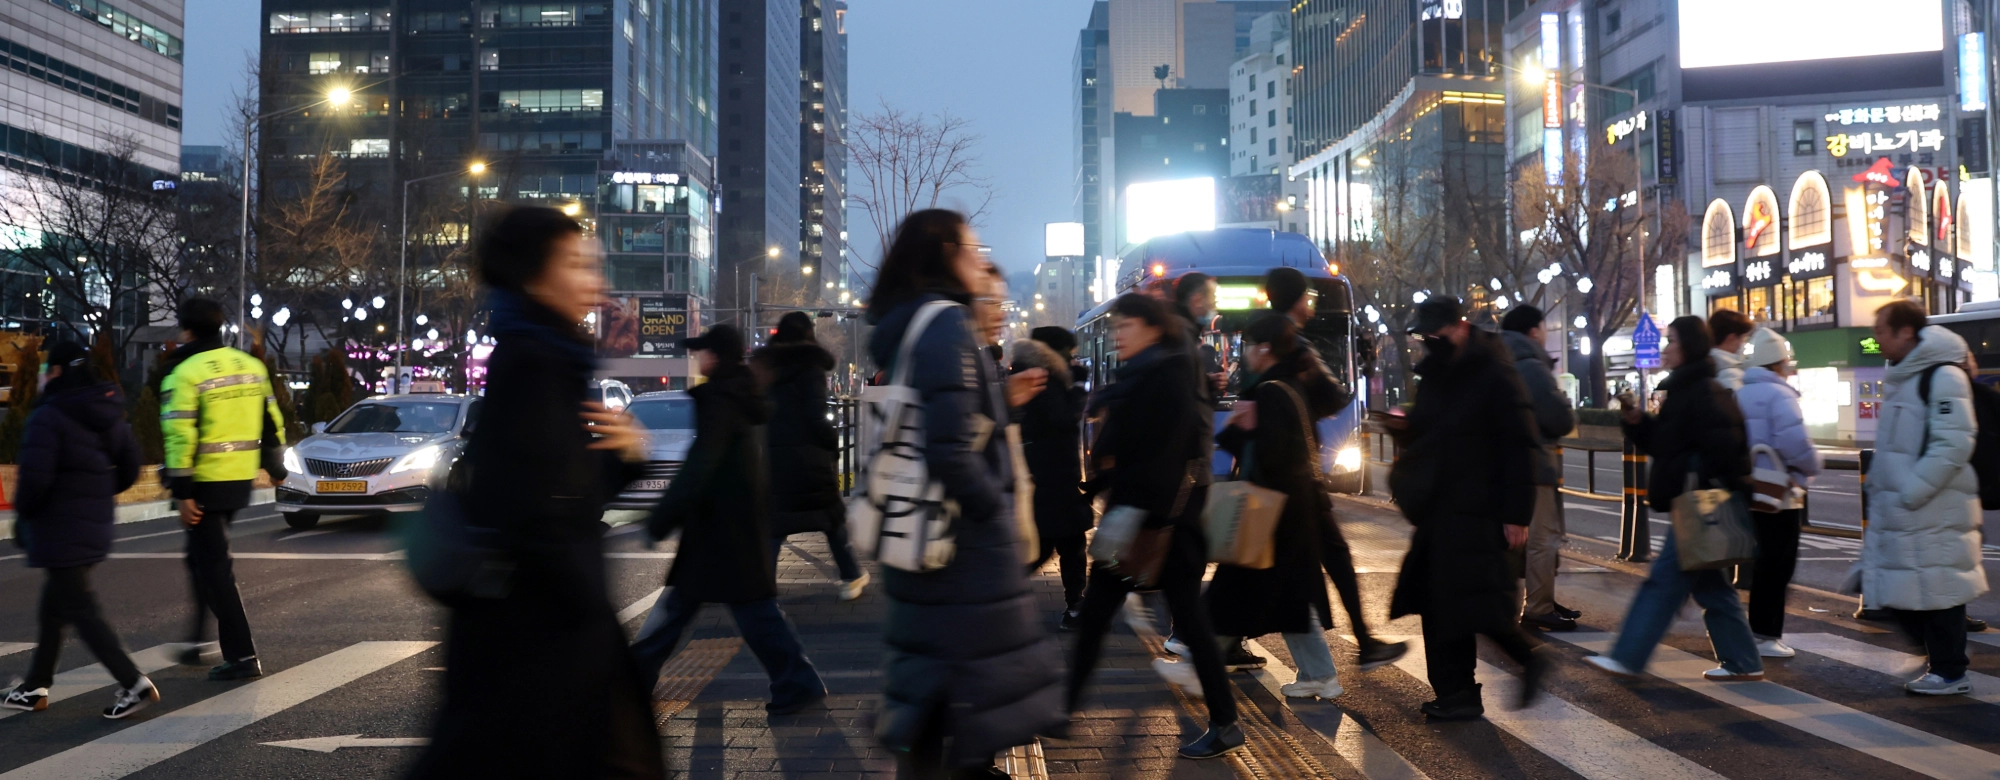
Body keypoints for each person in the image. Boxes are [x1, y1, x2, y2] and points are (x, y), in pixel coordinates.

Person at [409, 206, 663, 779]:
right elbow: (540, 510)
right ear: (533, 277)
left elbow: (561, 493)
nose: (596, 284)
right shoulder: (534, 366)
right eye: (577, 265)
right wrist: (587, 616)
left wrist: (625, 459)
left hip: (537, 634)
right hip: (539, 640)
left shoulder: (549, 362)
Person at [864, 209, 1064, 779]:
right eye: (974, 249)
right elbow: (950, 447)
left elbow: (945, 412)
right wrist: (994, 516)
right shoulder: (947, 324)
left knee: (935, 697)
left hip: (922, 537)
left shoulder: (907, 325)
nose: (980, 261)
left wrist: (999, 400)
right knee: (966, 693)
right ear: (946, 253)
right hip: (958, 546)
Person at [1072, 293, 1241, 759]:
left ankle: (1064, 709)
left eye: (1124, 326)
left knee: (1109, 615)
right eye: (1115, 328)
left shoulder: (1167, 375)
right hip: (1154, 520)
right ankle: (1224, 722)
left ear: (1151, 327)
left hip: (1156, 524)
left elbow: (1161, 455)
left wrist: (1136, 515)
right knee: (1170, 620)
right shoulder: (1150, 372)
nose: (1117, 335)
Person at [634, 323, 828, 710]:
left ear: (717, 355)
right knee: (724, 608)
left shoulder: (722, 399)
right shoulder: (740, 394)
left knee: (732, 610)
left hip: (722, 527)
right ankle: (797, 680)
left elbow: (701, 463)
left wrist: (662, 518)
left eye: (702, 351)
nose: (697, 357)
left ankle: (798, 680)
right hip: (729, 523)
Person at [1387, 296, 1543, 721]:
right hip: (1441, 504)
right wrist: (1405, 427)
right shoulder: (1439, 371)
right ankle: (1456, 692)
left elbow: (1519, 445)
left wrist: (1516, 514)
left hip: (1479, 506)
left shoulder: (1494, 372)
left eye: (1434, 332)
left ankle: (1525, 660)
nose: (1428, 341)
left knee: (1470, 602)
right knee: (1441, 602)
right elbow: (1433, 429)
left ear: (1457, 325)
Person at [1584, 316, 1763, 684]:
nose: (1666, 349)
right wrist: (1637, 422)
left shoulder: (1701, 391)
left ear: (1689, 347)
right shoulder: (1688, 389)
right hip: (1694, 504)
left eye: (1672, 341)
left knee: (1663, 583)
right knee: (1712, 587)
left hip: (1696, 505)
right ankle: (1744, 660)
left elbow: (1721, 449)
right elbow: (1668, 446)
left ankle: (1627, 655)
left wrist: (1702, 478)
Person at [2, 342, 156, 719]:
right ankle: (35, 685)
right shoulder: (106, 410)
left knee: (81, 610)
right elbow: (131, 467)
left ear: (55, 372)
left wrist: (24, 517)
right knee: (54, 606)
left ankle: (133, 681)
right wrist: (97, 494)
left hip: (59, 527)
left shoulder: (49, 415)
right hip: (94, 523)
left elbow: (34, 482)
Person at [1842, 300, 1988, 695]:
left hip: (1934, 506)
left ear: (1906, 332)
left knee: (1938, 589)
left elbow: (1953, 443)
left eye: (1882, 331)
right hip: (1909, 507)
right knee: (1908, 593)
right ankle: (1941, 663)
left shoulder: (1941, 376)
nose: (1877, 339)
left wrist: (1912, 491)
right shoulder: (1908, 376)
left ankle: (1951, 672)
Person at [1264, 267, 1406, 669]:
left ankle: (1362, 640)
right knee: (1260, 568)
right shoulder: (1290, 342)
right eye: (1307, 298)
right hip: (1293, 475)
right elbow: (1334, 398)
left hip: (1297, 473)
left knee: (1331, 557)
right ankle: (1201, 639)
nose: (1311, 304)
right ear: (1295, 300)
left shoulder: (1268, 336)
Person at [1199, 315, 1343, 700]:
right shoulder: (1289, 386)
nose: (1244, 353)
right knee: (1289, 597)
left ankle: (1200, 666)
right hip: (1290, 509)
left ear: (1262, 348)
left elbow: (1275, 453)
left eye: (1248, 346)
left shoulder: (1270, 391)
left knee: (1238, 591)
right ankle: (1319, 674)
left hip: (1273, 511)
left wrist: (1238, 432)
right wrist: (1239, 430)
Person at [159, 297, 286, 680]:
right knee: (200, 560)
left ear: (186, 330)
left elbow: (179, 435)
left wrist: (182, 492)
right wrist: (276, 466)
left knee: (215, 569)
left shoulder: (183, 372)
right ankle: (198, 640)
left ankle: (243, 656)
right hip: (238, 480)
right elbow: (271, 418)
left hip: (203, 485)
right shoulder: (250, 365)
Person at [753, 310, 867, 601]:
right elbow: (815, 415)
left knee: (776, 525)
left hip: (778, 458)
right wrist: (831, 441)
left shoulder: (769, 369)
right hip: (810, 459)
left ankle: (762, 584)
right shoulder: (811, 369)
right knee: (831, 521)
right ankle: (851, 576)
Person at [1734, 328, 1822, 658]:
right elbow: (1796, 445)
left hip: (1751, 489)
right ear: (1778, 362)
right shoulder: (1780, 395)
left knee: (1761, 563)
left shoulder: (1741, 392)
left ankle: (1759, 630)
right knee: (1779, 563)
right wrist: (1814, 464)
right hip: (1780, 494)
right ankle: (1767, 634)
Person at [1499, 306, 1580, 631]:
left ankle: (1538, 596)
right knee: (1542, 538)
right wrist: (1560, 398)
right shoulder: (1531, 366)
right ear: (1534, 331)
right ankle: (1538, 606)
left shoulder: (1500, 360)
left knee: (1519, 538)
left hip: (1506, 464)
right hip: (1534, 464)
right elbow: (1558, 418)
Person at [1013, 328, 1093, 629]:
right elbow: (1061, 419)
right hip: (1052, 473)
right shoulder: (1043, 377)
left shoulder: (1037, 372)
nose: (1073, 359)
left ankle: (1076, 606)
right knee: (1060, 544)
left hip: (1047, 471)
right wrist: (1080, 387)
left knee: (1057, 542)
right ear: (1056, 351)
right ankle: (1074, 608)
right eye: (1070, 353)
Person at [1708, 309, 1754, 391]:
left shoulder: (1707, 364)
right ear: (1731, 338)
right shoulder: (1730, 376)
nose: (1743, 344)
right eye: (1743, 338)